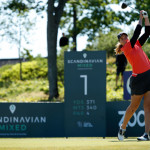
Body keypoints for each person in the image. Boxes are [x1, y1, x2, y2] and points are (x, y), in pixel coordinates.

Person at [115, 10, 150, 141]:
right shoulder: (126, 48)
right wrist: (140, 18)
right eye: (122, 38)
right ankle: (122, 128)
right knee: (133, 107)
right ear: (121, 42)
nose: (125, 38)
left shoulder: (136, 44)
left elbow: (147, 32)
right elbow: (136, 33)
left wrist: (146, 18)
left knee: (148, 107)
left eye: (125, 36)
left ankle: (146, 134)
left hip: (148, 75)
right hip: (138, 79)